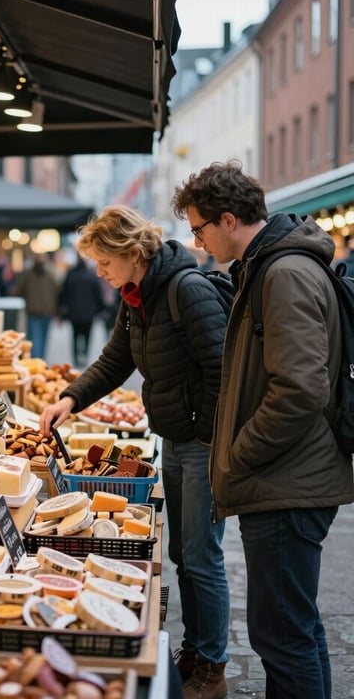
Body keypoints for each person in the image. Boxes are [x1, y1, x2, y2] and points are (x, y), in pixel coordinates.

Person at [172, 161, 354, 699]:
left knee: (281, 636)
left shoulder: (283, 273)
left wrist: (237, 455)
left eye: (199, 228)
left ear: (228, 220)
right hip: (287, 479)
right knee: (294, 630)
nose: (197, 241)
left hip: (286, 484)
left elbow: (299, 389)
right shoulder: (268, 267)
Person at [38, 206, 230, 698]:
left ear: (131, 253)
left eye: (104, 261)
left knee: (201, 555)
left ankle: (212, 665)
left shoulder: (185, 288)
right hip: (175, 436)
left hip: (201, 442)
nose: (99, 272)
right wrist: (71, 398)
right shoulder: (135, 295)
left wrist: (205, 435)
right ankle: (193, 649)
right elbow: (115, 360)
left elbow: (221, 368)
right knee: (182, 553)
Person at [58, 256, 105, 366]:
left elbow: (64, 293)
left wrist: (61, 309)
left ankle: (75, 358)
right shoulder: (91, 276)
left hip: (74, 313)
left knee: (75, 336)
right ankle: (84, 354)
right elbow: (98, 294)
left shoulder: (71, 275)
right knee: (87, 336)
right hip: (89, 313)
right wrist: (101, 308)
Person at [16, 254, 59, 359]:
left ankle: (39, 360)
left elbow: (20, 291)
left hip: (42, 311)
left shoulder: (47, 275)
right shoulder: (47, 275)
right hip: (36, 312)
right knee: (38, 339)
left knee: (39, 338)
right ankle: (38, 360)